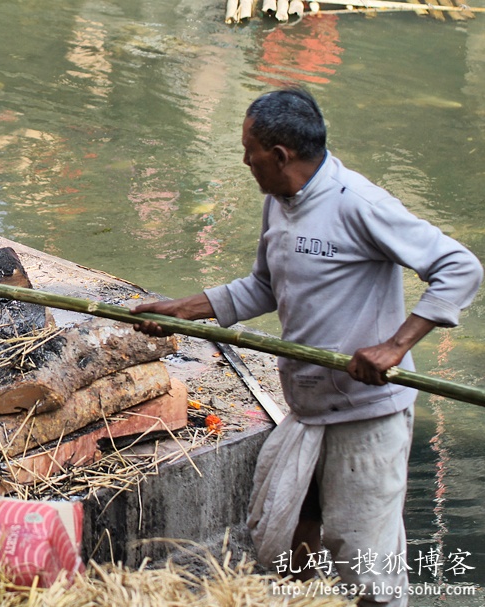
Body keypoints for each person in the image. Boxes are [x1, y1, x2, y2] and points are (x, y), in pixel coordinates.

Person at [130, 87, 483, 607]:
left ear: (279, 156)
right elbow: (264, 287)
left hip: (366, 414)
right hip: (309, 406)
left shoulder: (358, 204)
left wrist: (394, 346)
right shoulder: (279, 204)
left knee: (366, 559)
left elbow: (460, 268)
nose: (244, 160)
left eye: (248, 150)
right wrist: (181, 311)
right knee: (291, 528)